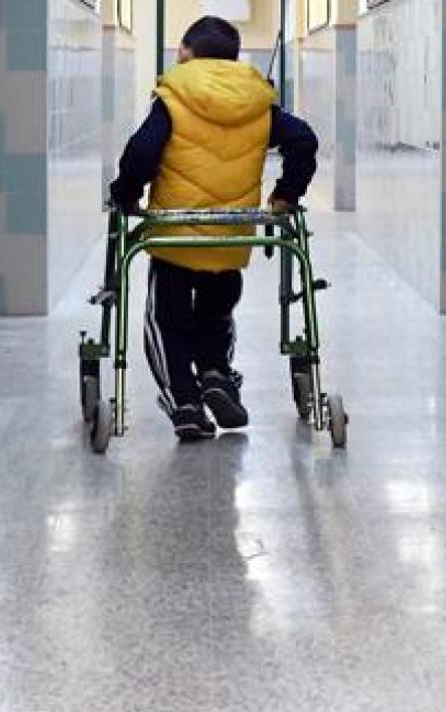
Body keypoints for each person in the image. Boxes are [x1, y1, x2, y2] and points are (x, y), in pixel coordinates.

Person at [109, 16, 319, 442]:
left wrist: (126, 193)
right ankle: (216, 374)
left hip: (175, 237)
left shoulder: (172, 97)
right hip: (231, 237)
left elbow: (142, 151)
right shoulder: (259, 102)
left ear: (185, 52)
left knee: (165, 321)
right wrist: (285, 195)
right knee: (217, 312)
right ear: (233, 57)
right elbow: (304, 141)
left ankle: (185, 401)